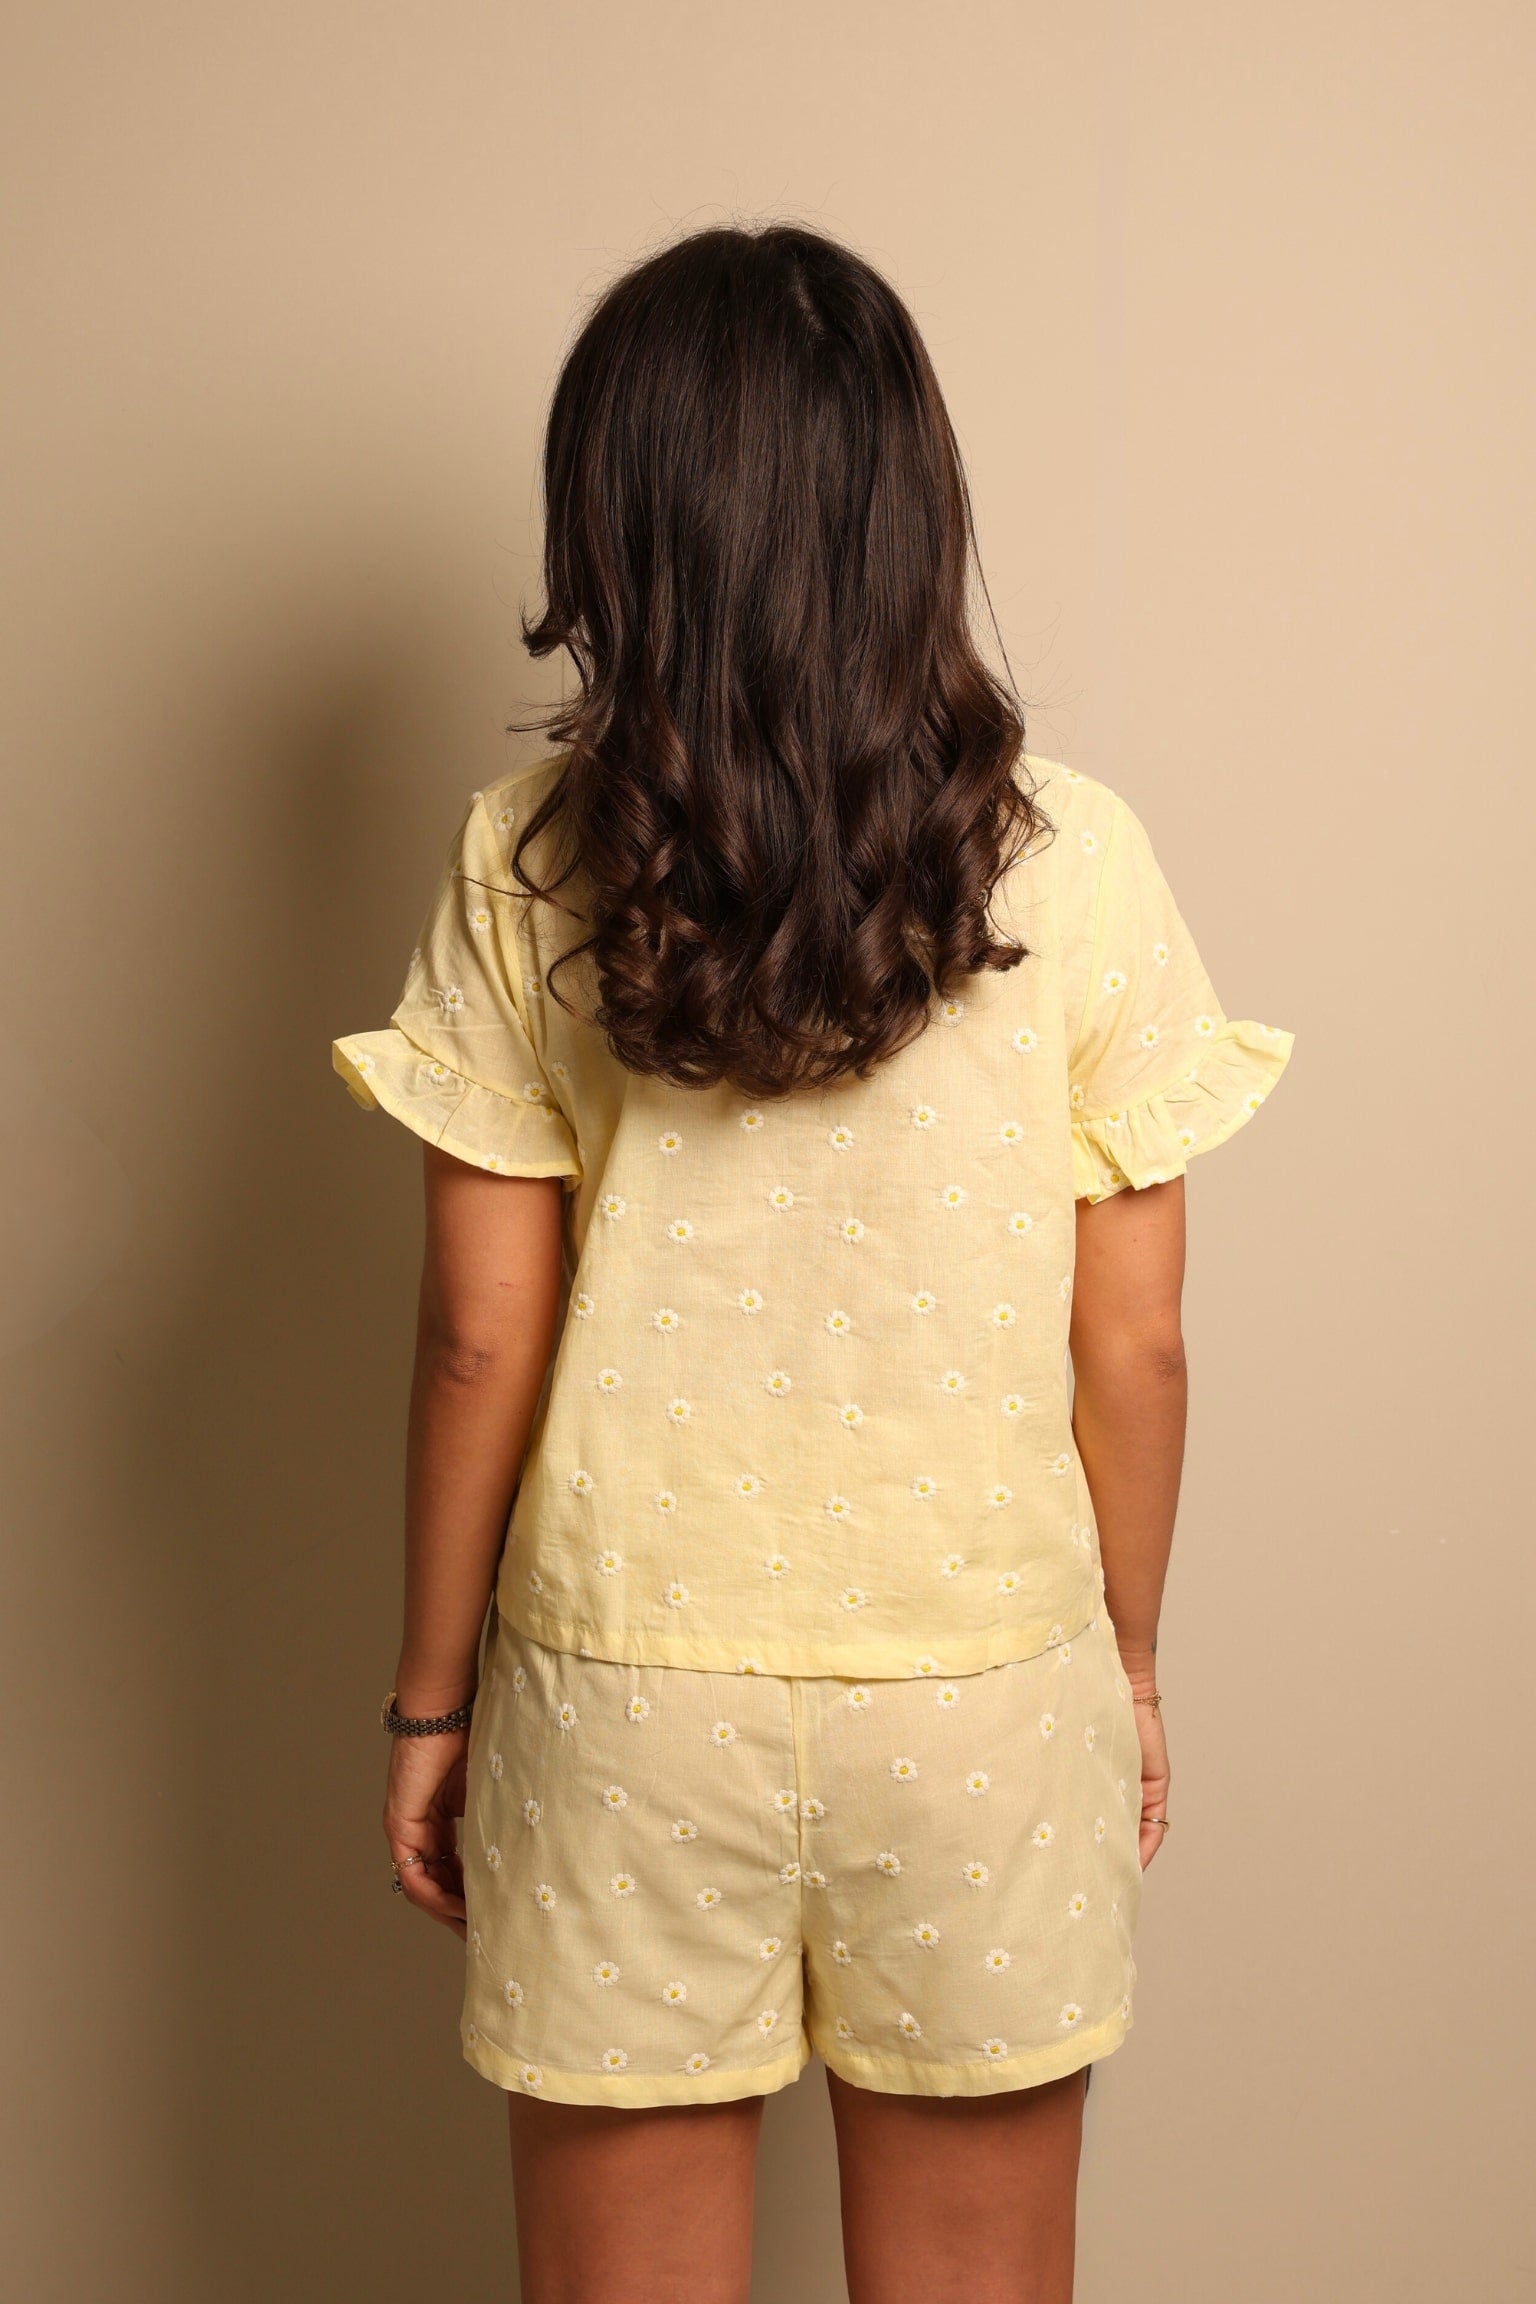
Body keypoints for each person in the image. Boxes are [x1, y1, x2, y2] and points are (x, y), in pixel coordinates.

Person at [332, 220, 1293, 2304]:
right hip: (983, 1690)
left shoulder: (528, 858)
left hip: (625, 1688)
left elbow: (478, 1340)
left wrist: (430, 1702)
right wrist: (1127, 1662)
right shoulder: (1078, 859)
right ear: (910, 509)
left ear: (622, 523)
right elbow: (1138, 1348)